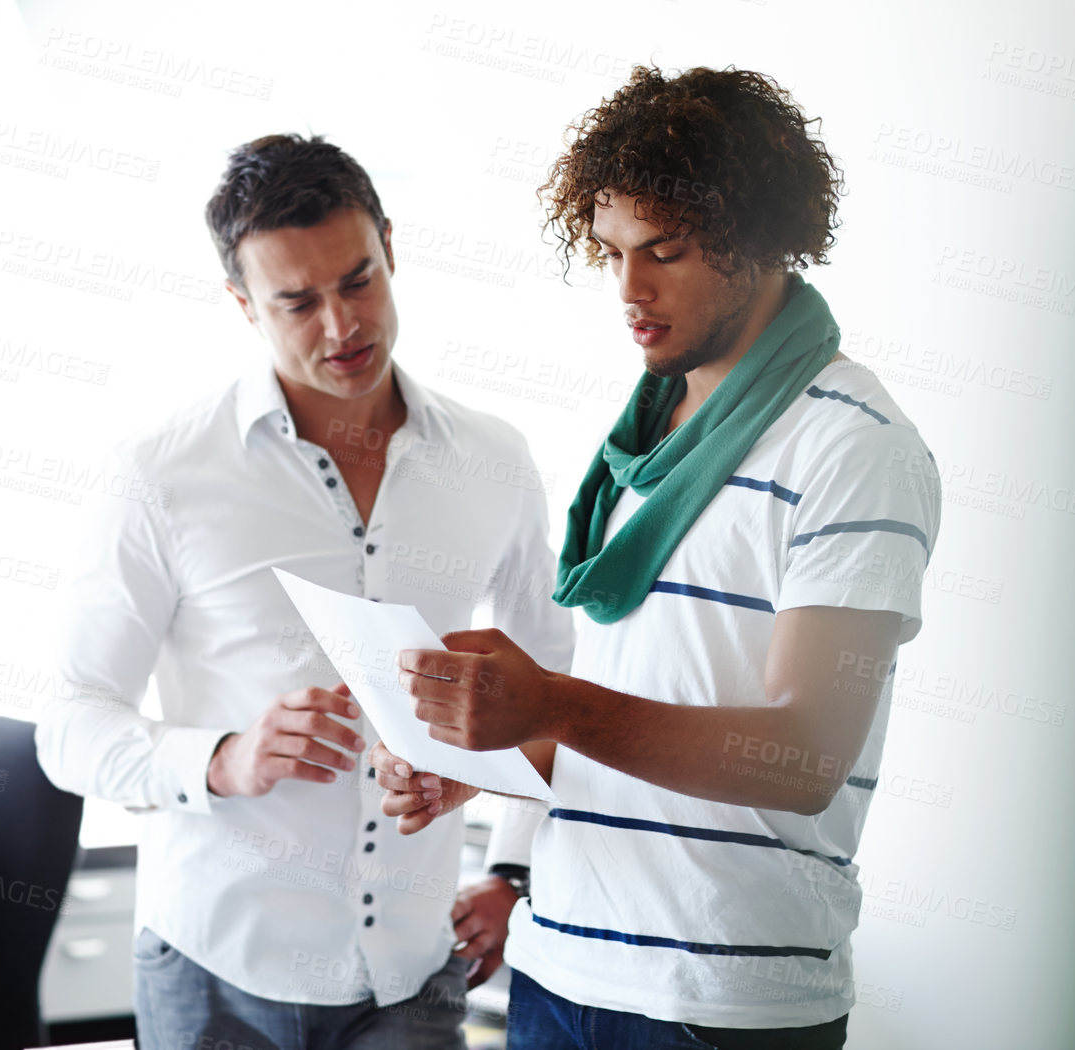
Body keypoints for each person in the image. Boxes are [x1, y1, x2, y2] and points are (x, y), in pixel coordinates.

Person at [373, 66, 943, 1049]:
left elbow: (803, 753)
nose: (630, 290)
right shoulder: (647, 440)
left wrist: (547, 702)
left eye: (665, 252)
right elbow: (633, 709)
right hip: (558, 965)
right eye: (612, 252)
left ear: (759, 236)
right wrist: (484, 753)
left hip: (713, 1001)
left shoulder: (855, 446)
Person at [34, 134, 575, 1050]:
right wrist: (223, 758)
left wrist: (512, 868)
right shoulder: (161, 474)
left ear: (392, 250)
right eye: (297, 301)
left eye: (359, 281)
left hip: (414, 970)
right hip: (216, 973)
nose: (342, 327)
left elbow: (554, 689)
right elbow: (69, 725)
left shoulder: (496, 463)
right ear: (243, 306)